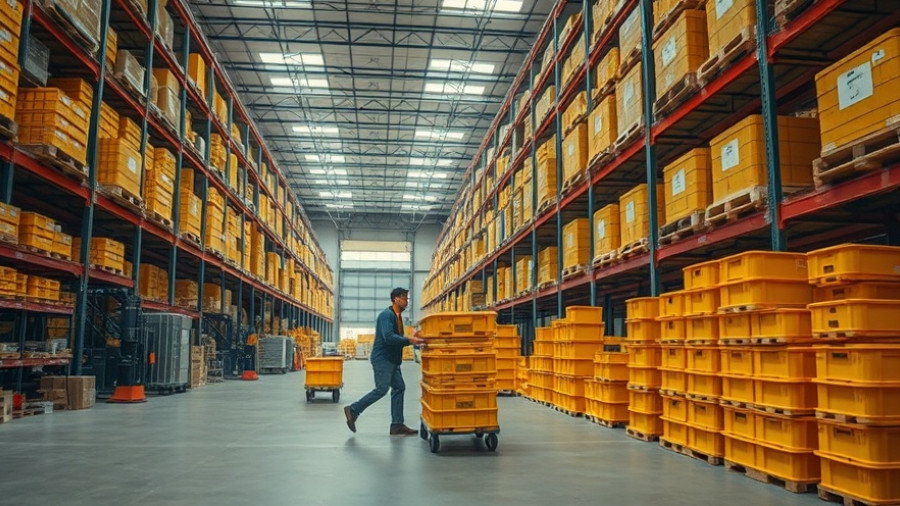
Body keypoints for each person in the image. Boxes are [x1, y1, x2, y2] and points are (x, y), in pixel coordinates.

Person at [344, 287, 424, 435]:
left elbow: (397, 337)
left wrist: (412, 337)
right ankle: (353, 409)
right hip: (383, 359)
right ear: (396, 299)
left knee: (399, 387)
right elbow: (388, 337)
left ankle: (397, 425)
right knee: (381, 389)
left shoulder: (398, 317)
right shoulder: (386, 315)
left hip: (392, 360)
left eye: (407, 298)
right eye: (404, 297)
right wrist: (409, 340)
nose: (406, 301)